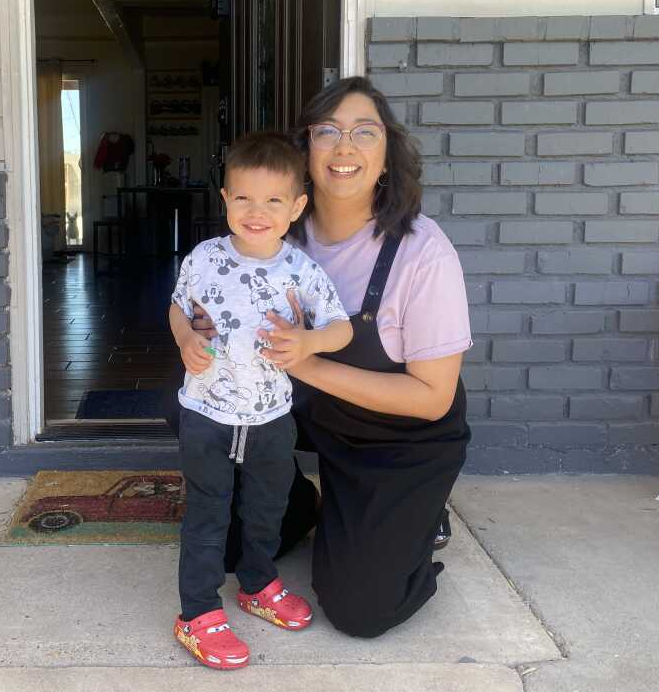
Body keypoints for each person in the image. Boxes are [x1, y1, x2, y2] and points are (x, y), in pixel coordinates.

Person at [189, 76, 472, 639]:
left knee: (361, 610)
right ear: (305, 153)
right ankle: (298, 504)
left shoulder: (423, 252)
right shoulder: (274, 233)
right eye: (328, 132)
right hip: (310, 418)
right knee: (195, 421)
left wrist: (305, 361)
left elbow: (433, 398)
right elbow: (211, 307)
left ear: (387, 155)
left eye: (364, 132)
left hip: (400, 442)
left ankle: (415, 516)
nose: (345, 147)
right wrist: (203, 334)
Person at [168, 133, 354, 670]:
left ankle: (257, 583)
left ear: (296, 207)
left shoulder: (301, 270)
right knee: (208, 513)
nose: (257, 212)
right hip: (206, 415)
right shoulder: (204, 258)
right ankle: (197, 612)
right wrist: (184, 339)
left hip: (272, 417)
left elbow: (340, 329)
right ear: (225, 198)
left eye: (274, 201)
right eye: (244, 198)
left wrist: (311, 341)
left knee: (266, 508)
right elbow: (179, 309)